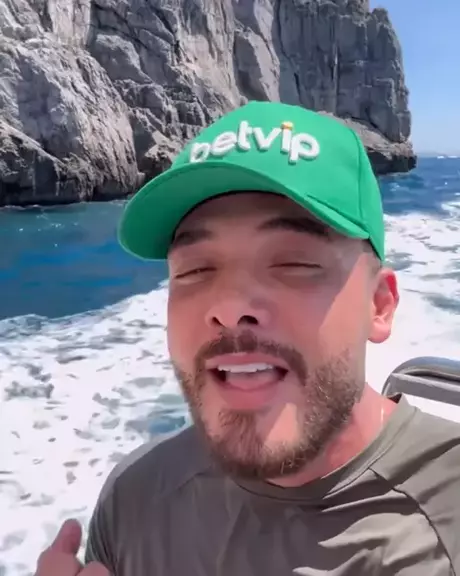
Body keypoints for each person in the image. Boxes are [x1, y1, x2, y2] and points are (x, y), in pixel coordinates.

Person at [35, 101, 460, 576]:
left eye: (294, 262)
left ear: (378, 305)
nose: (230, 306)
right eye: (195, 269)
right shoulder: (133, 502)